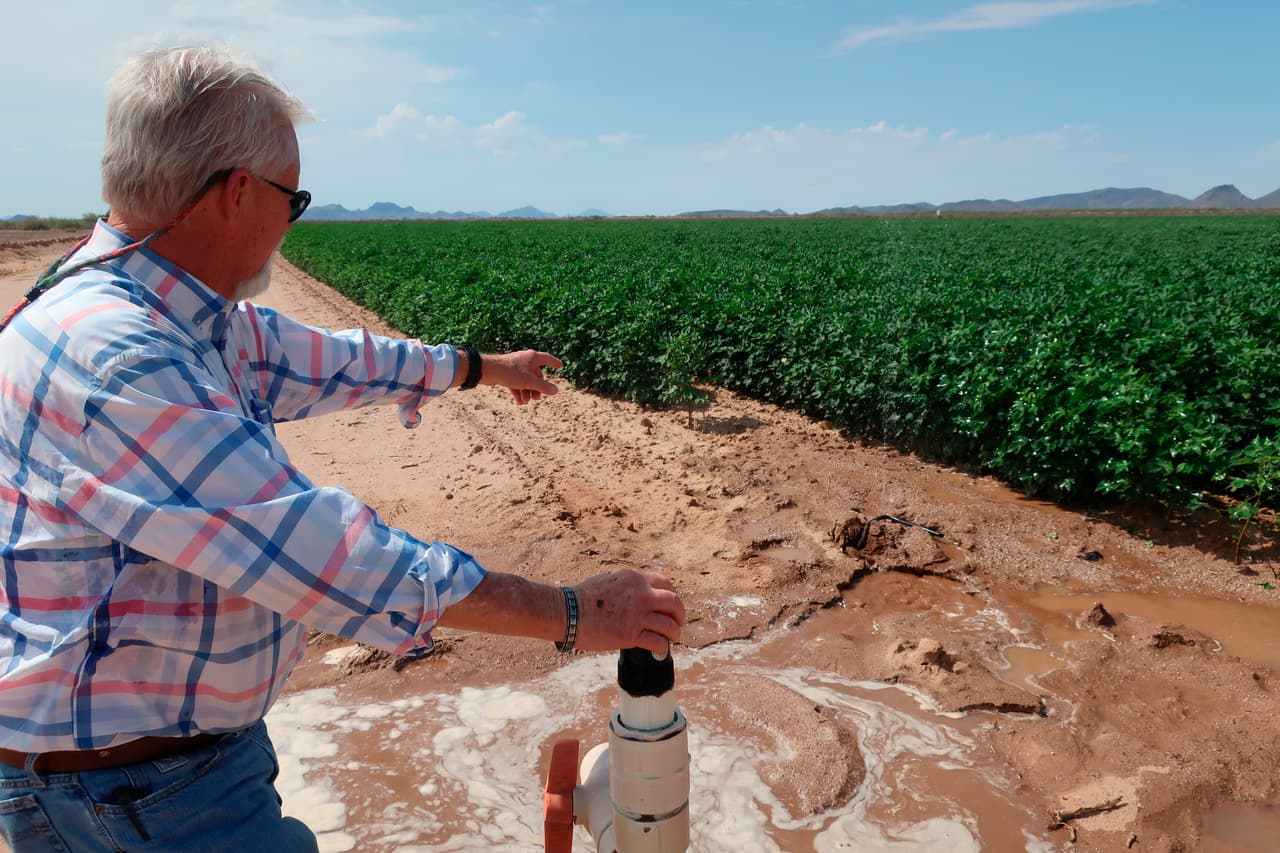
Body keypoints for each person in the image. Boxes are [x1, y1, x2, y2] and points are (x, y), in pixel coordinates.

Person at [0, 45, 684, 852]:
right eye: (295, 198)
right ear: (237, 192)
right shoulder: (123, 357)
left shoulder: (165, 306)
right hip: (140, 798)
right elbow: (330, 559)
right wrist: (576, 612)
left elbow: (332, 358)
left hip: (144, 772)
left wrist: (482, 369)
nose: (295, 221)